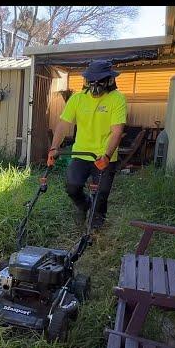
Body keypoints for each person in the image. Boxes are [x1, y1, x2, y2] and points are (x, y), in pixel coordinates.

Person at [47, 60, 127, 230]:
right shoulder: (77, 99)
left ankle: (98, 218)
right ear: (87, 81)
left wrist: (106, 155)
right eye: (92, 81)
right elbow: (62, 125)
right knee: (72, 186)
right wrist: (54, 147)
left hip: (104, 155)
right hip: (81, 153)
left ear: (109, 80)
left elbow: (117, 131)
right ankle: (84, 205)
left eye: (100, 81)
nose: (96, 85)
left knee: (102, 192)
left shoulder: (117, 99)